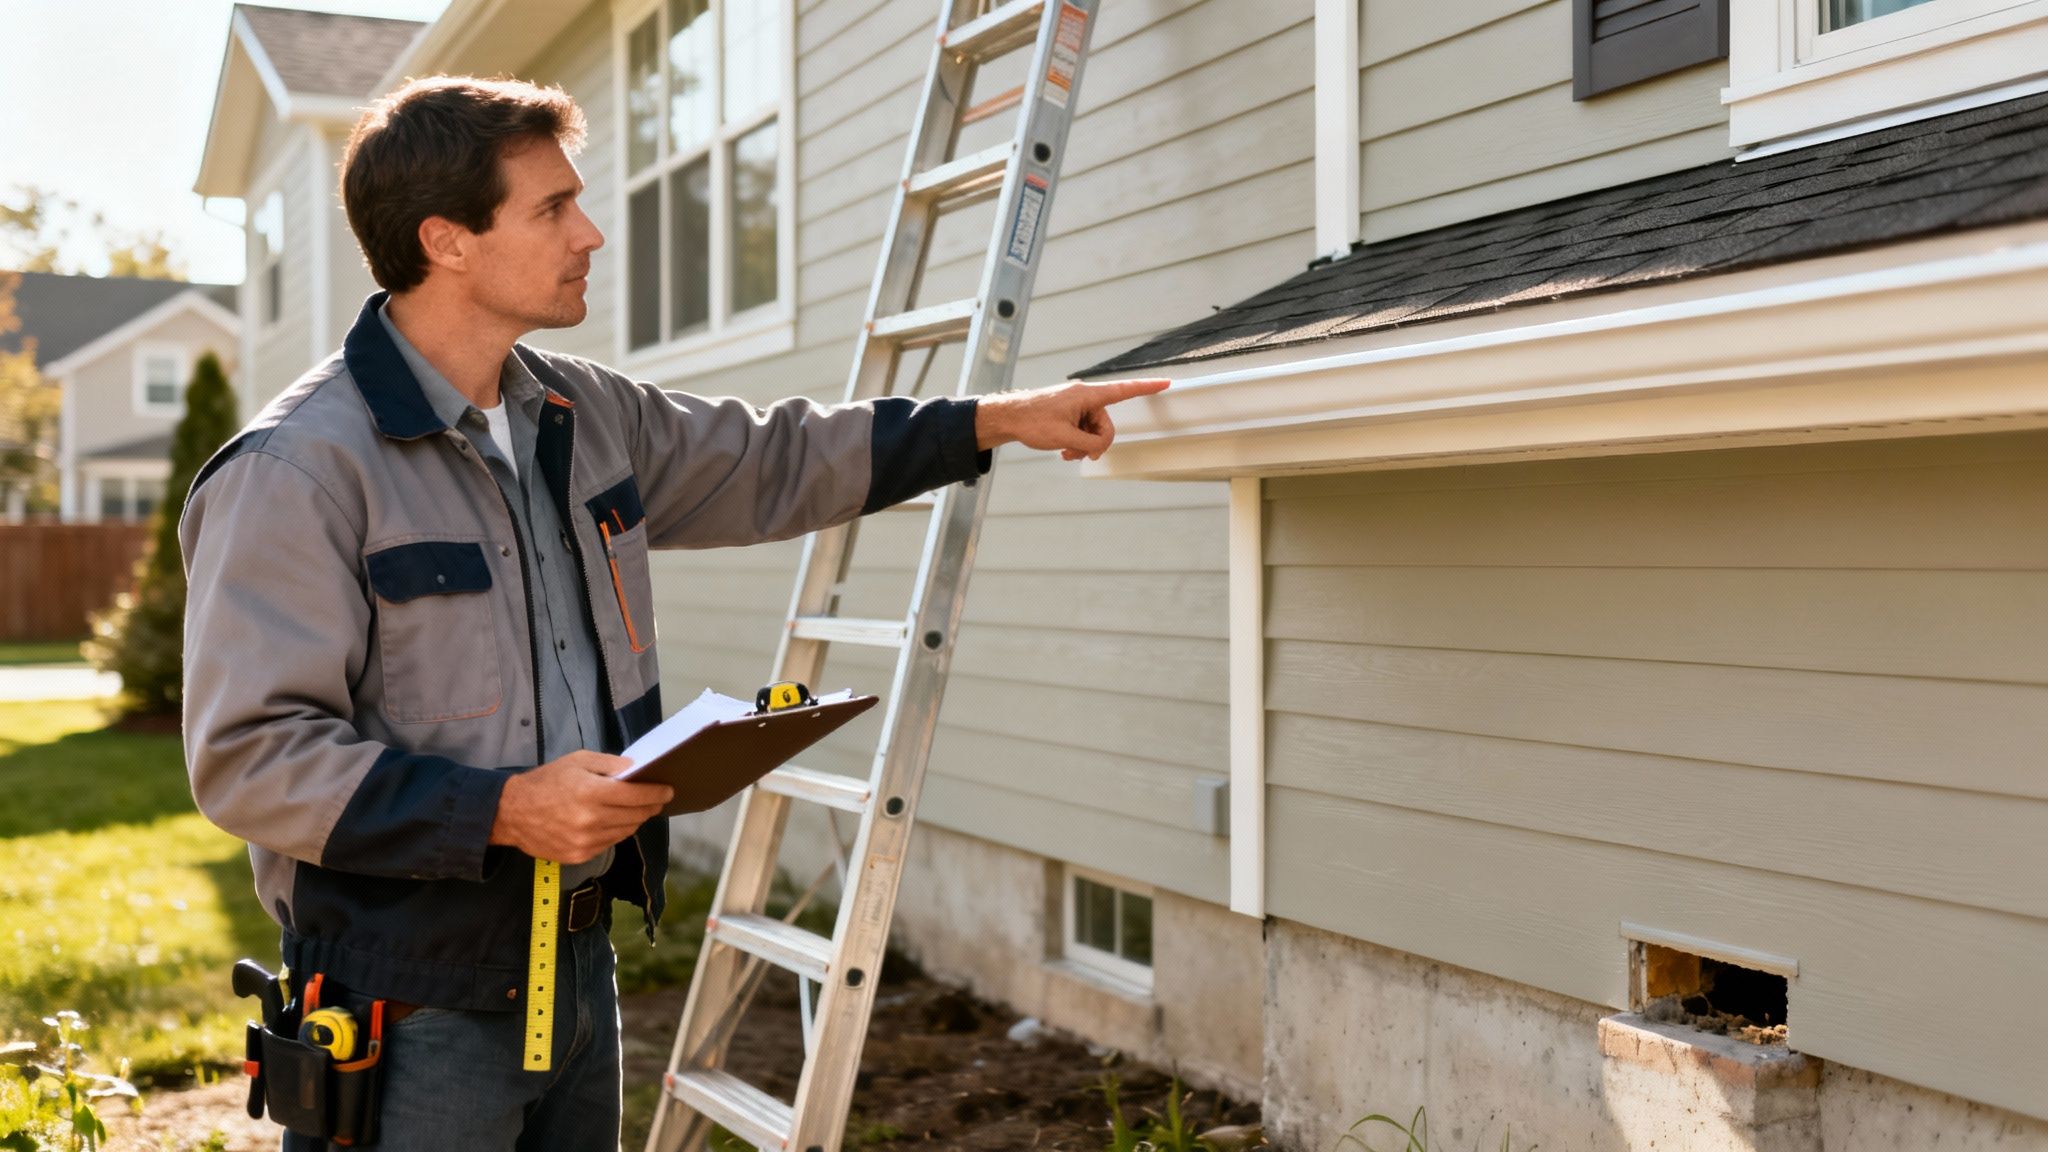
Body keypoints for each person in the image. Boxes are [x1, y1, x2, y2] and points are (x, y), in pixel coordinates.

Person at [178, 75, 1166, 1152]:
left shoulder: (577, 411)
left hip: (575, 965)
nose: (589, 232)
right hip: (410, 1009)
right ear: (446, 240)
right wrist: (503, 810)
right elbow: (251, 758)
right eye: (552, 208)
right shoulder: (297, 472)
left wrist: (993, 420)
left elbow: (778, 456)